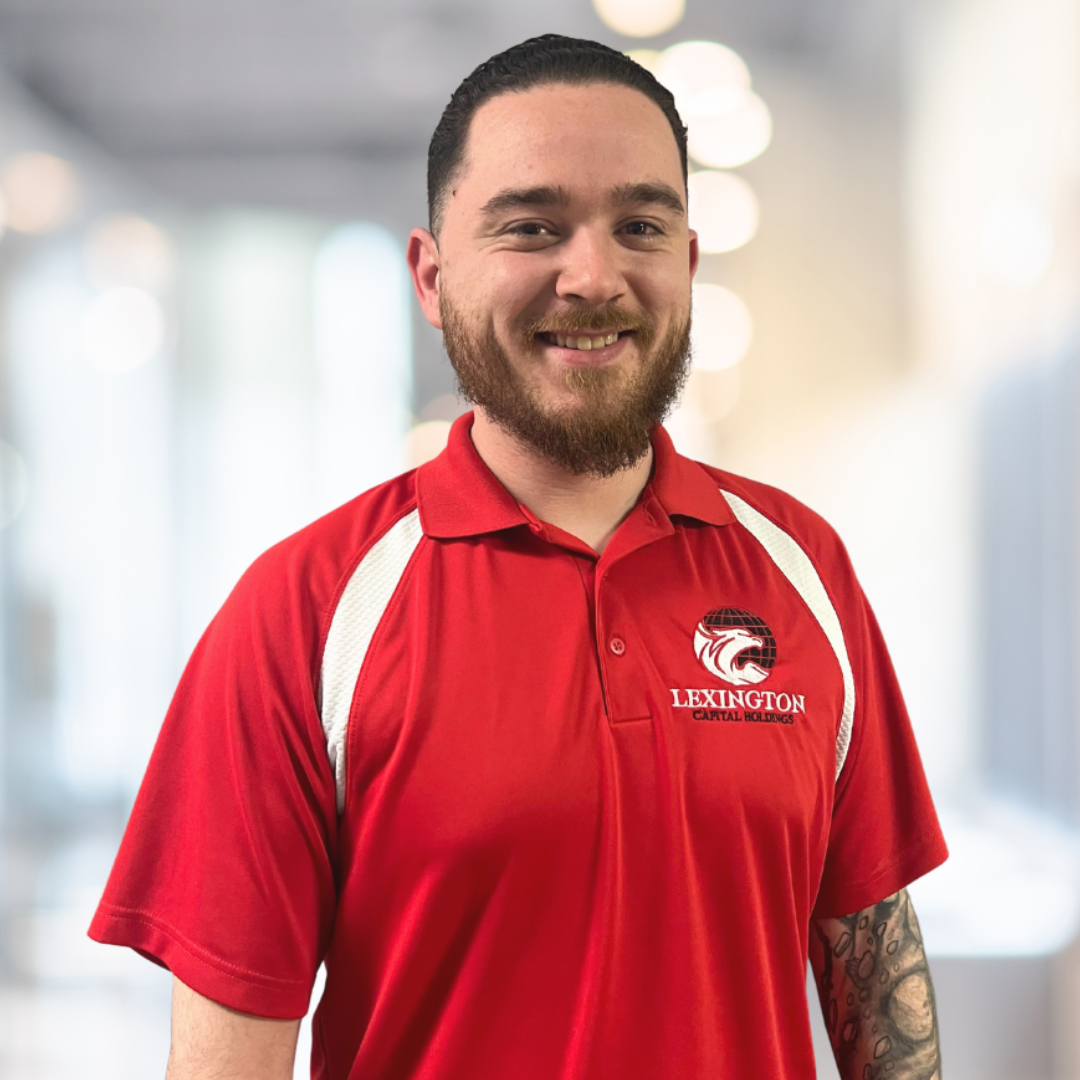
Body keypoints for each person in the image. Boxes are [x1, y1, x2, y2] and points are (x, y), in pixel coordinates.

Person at [90, 34, 948, 1080]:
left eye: (640, 227)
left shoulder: (801, 569)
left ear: (685, 264)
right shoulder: (306, 613)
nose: (593, 277)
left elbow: (878, 977)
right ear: (431, 275)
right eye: (532, 228)